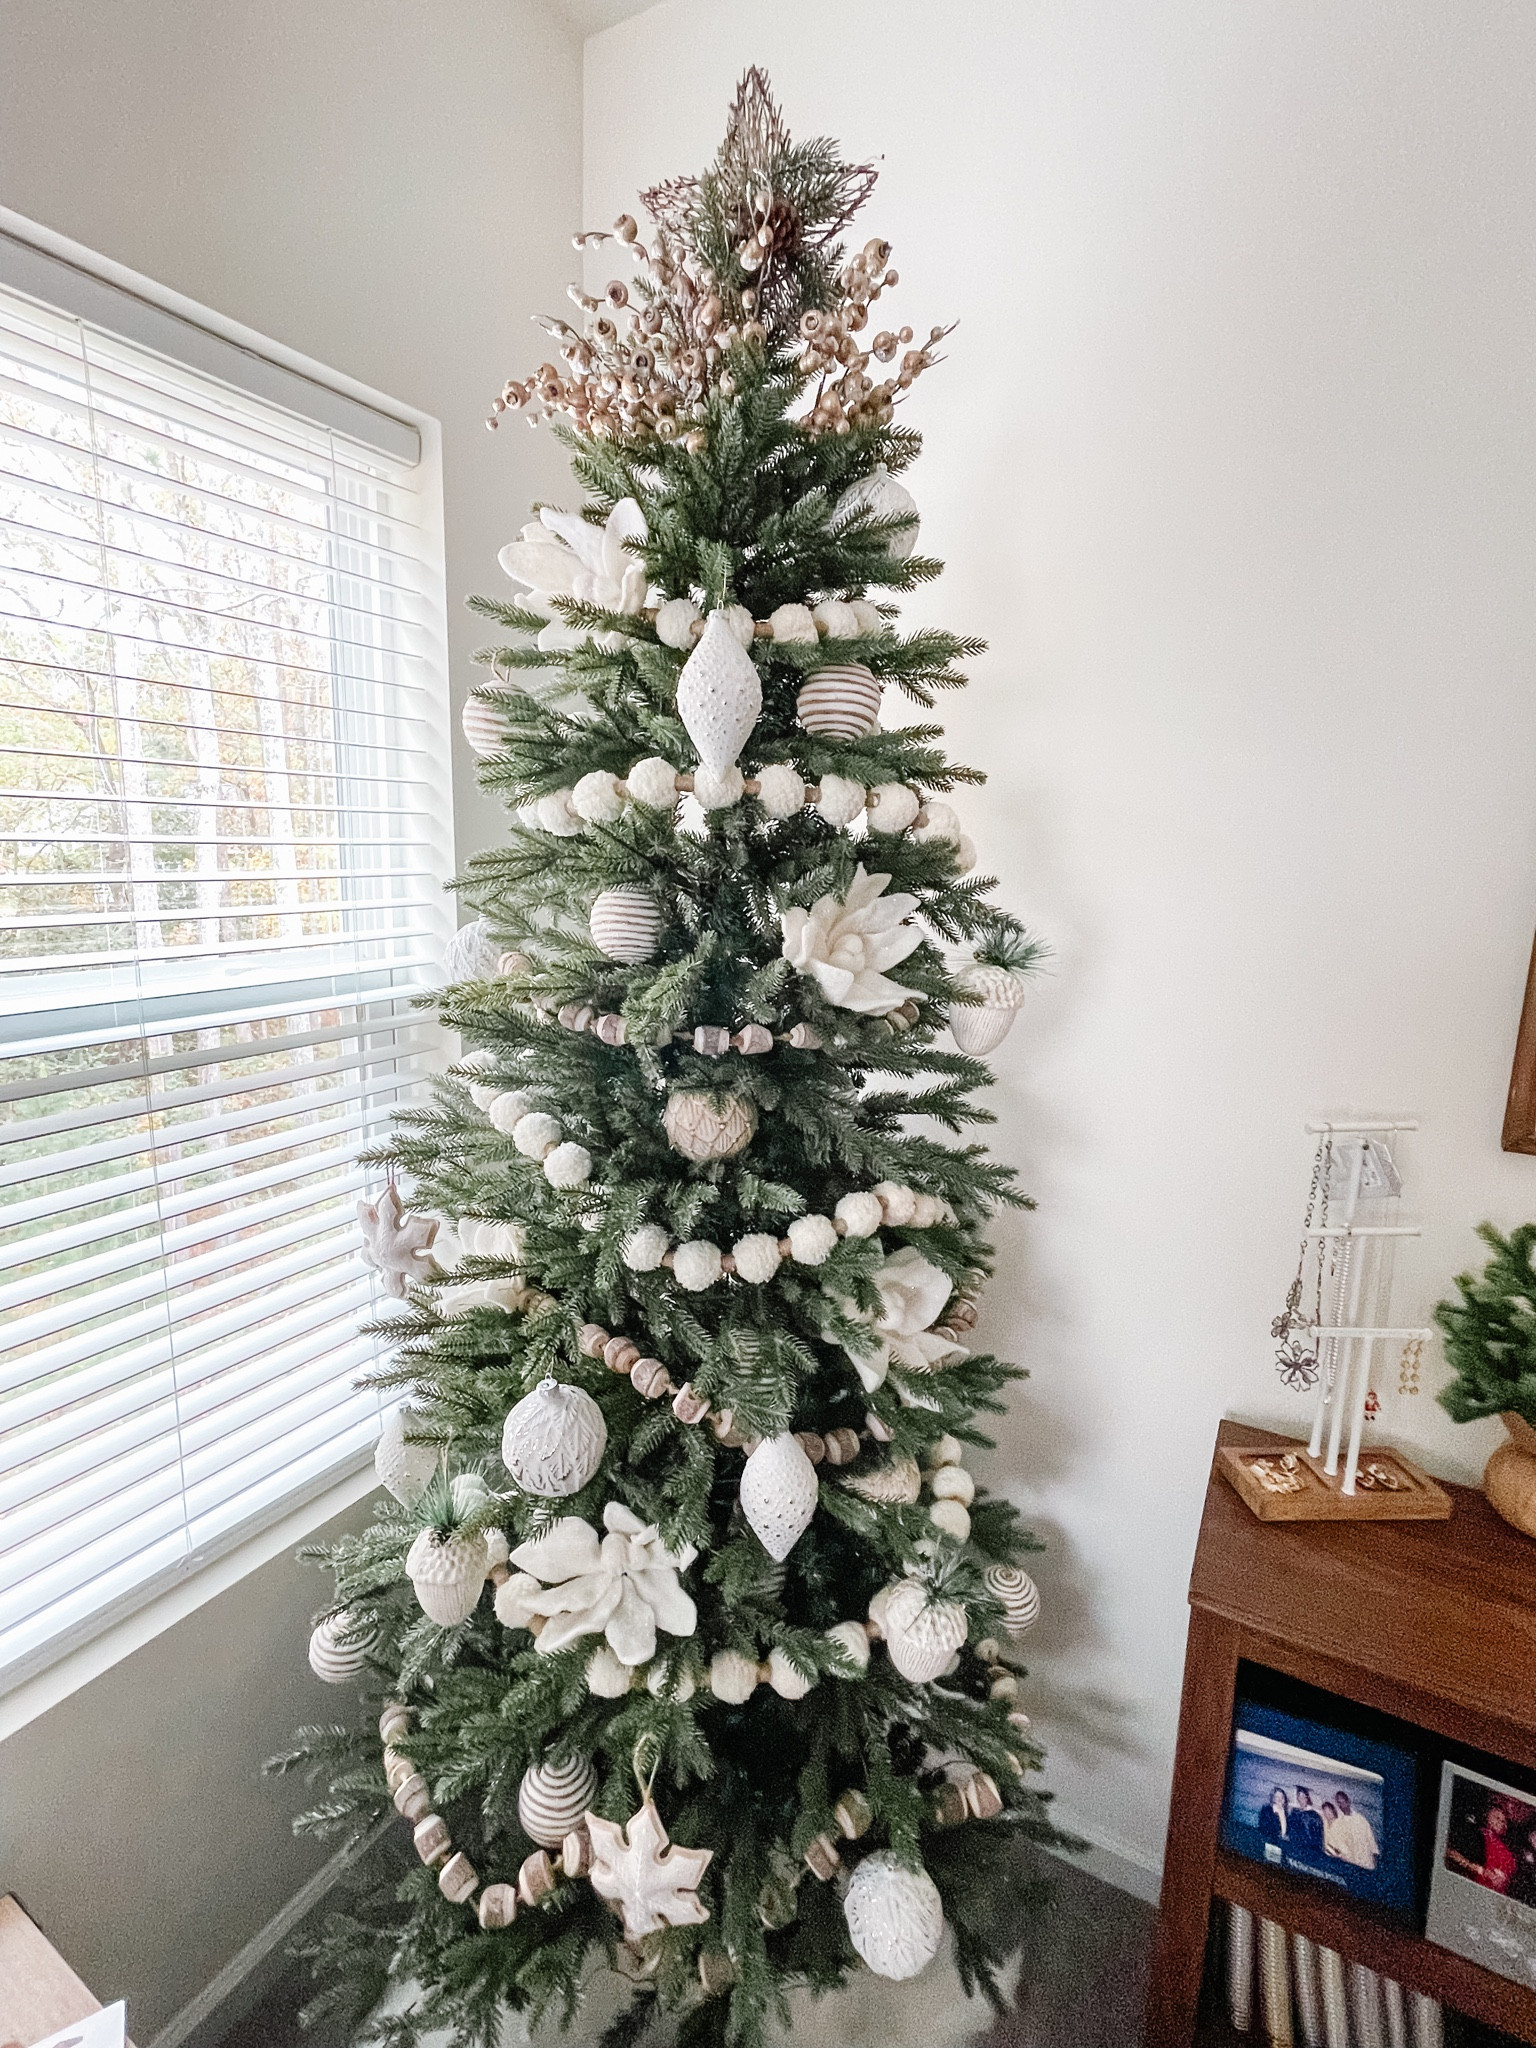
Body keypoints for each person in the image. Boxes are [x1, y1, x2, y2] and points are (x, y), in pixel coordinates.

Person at [1447, 1798, 1518, 1893]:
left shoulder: (1505, 1849)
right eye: (1497, 1818)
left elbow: (1509, 1867)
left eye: (1502, 1821)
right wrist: (1482, 1871)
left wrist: (1502, 1876)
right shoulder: (1476, 1832)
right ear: (1488, 1815)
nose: (1499, 1823)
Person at [1325, 1789, 1380, 1870]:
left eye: (1342, 1801)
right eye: (1338, 1803)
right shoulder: (1338, 1823)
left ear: (1348, 1801)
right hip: (1350, 1865)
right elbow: (1332, 1846)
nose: (1340, 1805)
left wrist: (1376, 1863)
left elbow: (1372, 1843)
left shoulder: (1361, 1819)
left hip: (1367, 1864)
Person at [1289, 1785, 1326, 1858]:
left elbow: (1318, 1838)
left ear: (1307, 1798)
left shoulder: (1314, 1816)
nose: (1301, 1799)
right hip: (1295, 1848)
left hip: (1308, 1851)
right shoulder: (1294, 1812)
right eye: (1299, 1796)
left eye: (1303, 1797)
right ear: (1297, 1798)